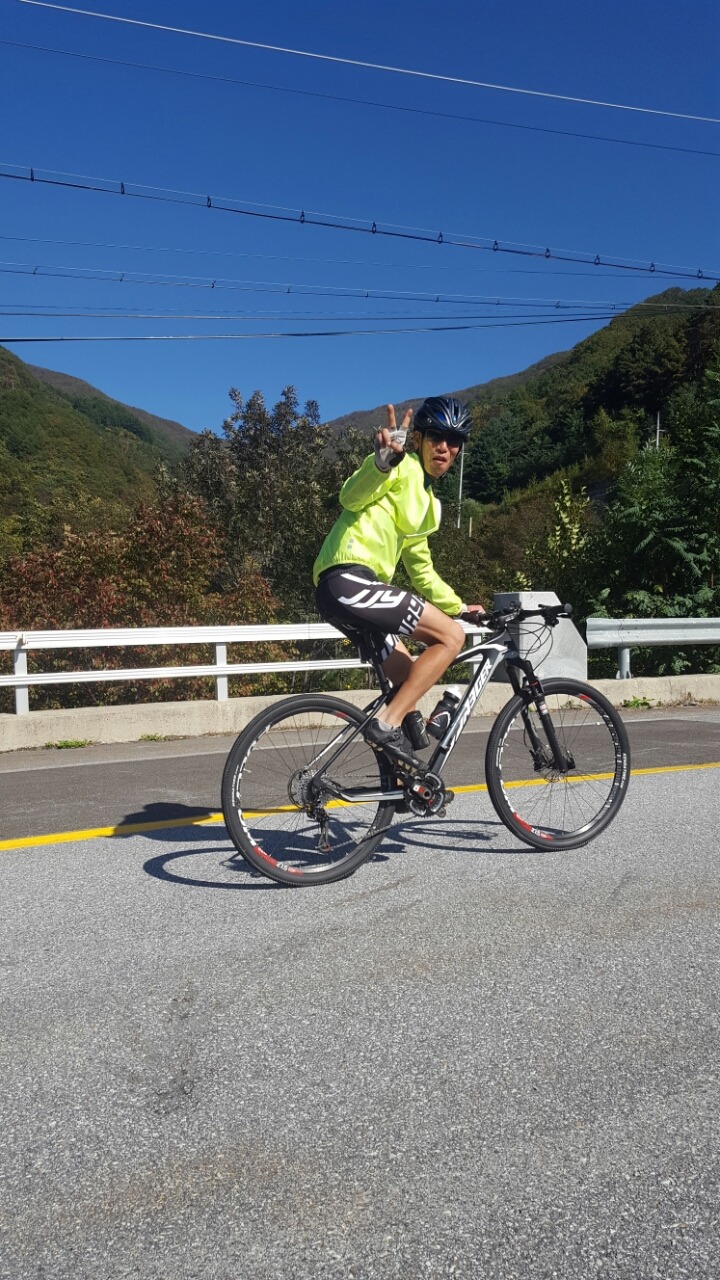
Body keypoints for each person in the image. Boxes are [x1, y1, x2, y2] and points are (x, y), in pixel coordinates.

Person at [313, 394, 485, 765]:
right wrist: (380, 464)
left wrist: (459, 607)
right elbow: (350, 497)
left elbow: (421, 568)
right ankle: (386, 724)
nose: (444, 447)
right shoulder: (399, 465)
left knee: (410, 683)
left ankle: (406, 776)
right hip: (348, 579)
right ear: (418, 439)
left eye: (454, 441)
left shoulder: (429, 505)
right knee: (451, 637)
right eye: (436, 436)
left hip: (346, 593)